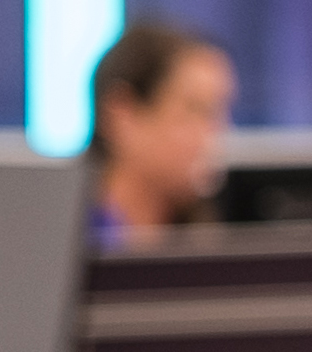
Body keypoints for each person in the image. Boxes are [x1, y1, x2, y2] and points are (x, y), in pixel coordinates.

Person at [86, 20, 234, 247]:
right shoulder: (59, 244)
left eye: (221, 112)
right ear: (122, 116)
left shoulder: (209, 243)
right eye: (196, 110)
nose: (217, 131)